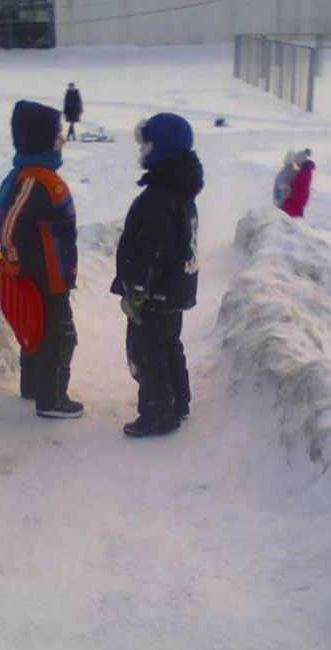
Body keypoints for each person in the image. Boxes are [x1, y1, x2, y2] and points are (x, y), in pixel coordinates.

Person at [110, 113, 202, 438]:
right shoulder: (179, 191)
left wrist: (136, 289)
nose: (142, 150)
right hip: (173, 290)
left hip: (155, 292)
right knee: (167, 345)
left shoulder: (159, 198)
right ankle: (178, 401)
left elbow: (153, 249)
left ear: (159, 149)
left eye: (146, 144)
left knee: (148, 351)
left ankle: (158, 412)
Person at [0, 100, 83, 419]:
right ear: (40, 138)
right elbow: (7, 227)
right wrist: (14, 260)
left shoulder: (42, 176)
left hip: (53, 272)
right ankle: (52, 399)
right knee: (58, 335)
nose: (61, 138)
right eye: (56, 132)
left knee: (42, 331)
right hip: (42, 274)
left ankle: (34, 386)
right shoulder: (33, 180)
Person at [273, 148, 314, 218]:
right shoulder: (298, 174)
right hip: (292, 206)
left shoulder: (282, 174)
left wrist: (278, 203)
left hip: (288, 206)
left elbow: (276, 191)